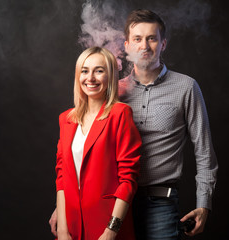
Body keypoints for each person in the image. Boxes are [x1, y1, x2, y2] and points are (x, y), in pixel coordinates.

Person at [50, 9, 218, 240]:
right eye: (137, 39)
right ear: (127, 45)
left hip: (159, 201)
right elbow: (78, 150)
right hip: (110, 203)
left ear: (163, 43)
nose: (145, 46)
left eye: (152, 38)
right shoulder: (112, 91)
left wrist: (204, 203)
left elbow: (204, 150)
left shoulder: (186, 88)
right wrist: (65, 208)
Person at [54, 46, 141, 240]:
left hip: (107, 227)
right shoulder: (66, 119)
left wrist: (111, 230)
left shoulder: (120, 114)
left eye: (99, 71)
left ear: (110, 77)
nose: (90, 78)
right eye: (85, 71)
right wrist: (62, 230)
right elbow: (61, 178)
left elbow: (128, 180)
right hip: (71, 228)